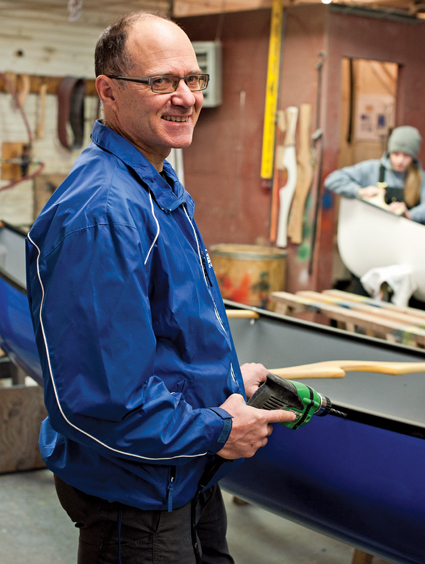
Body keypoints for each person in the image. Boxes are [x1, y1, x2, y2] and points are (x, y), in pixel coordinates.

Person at [26, 11, 295, 564]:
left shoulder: (155, 184)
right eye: (160, 82)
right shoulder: (104, 215)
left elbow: (158, 333)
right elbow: (105, 404)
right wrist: (218, 428)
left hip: (182, 476)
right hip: (138, 496)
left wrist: (218, 382)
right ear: (108, 92)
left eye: (194, 80)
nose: (186, 97)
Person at [325, 125, 425, 223]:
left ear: (413, 157)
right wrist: (360, 191)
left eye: (406, 155)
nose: (400, 160)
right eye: (396, 154)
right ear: (389, 152)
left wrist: (410, 215)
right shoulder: (371, 169)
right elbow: (333, 180)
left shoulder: (421, 178)